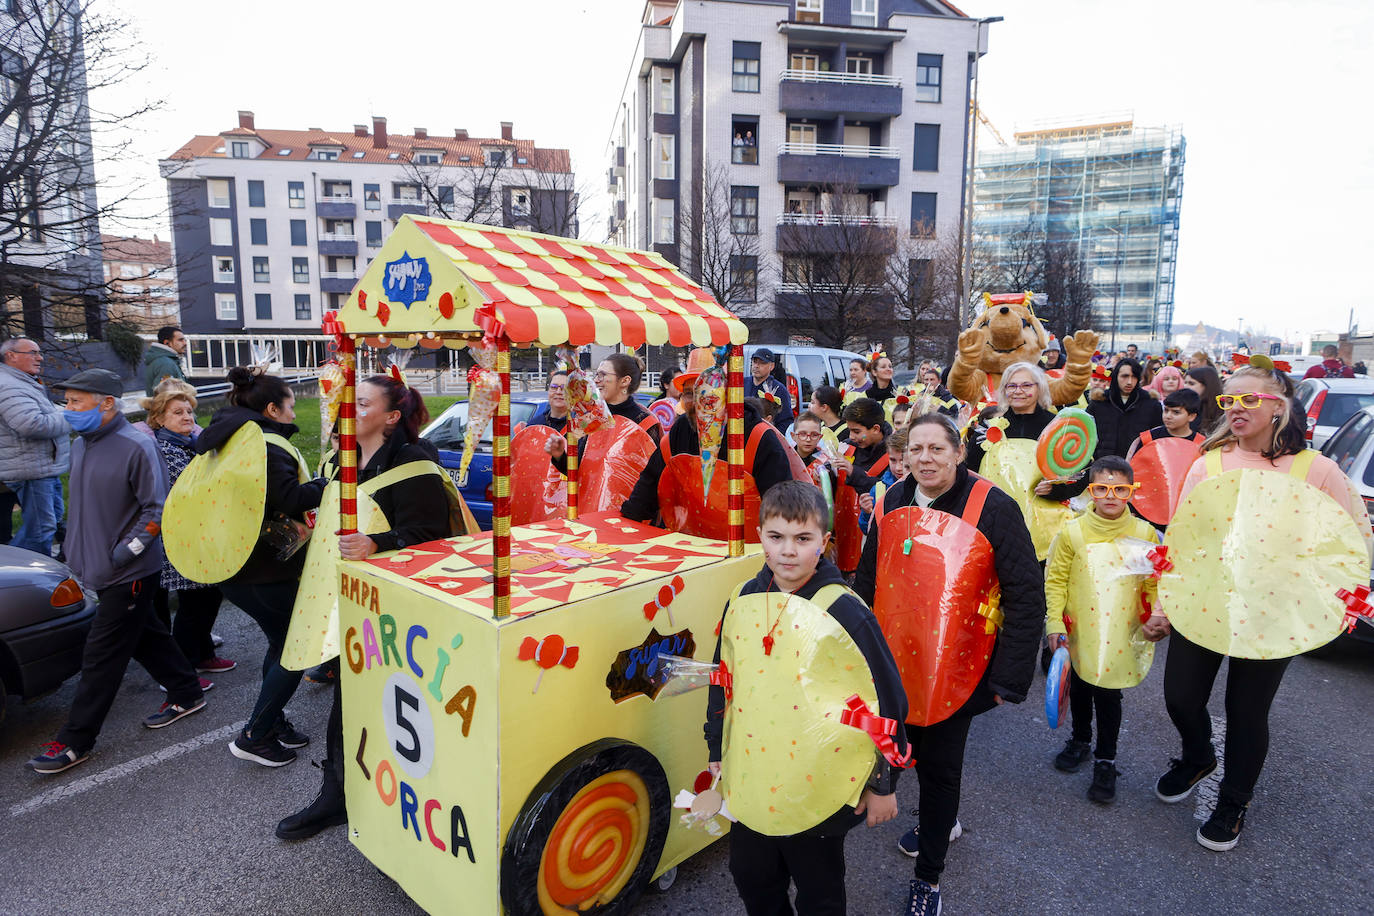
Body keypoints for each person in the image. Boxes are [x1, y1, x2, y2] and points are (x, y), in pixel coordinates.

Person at [1151, 362, 1372, 851]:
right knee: (1181, 698)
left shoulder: (1315, 469)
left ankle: (1233, 801)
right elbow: (1184, 538)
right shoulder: (1208, 462)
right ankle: (1197, 756)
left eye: (1249, 400)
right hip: (1206, 600)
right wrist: (1164, 603)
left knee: (1247, 712)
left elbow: (1354, 536)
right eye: (1229, 401)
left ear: (1279, 407)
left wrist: (1340, 602)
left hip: (1273, 611)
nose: (1236, 409)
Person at [854, 415, 1044, 915]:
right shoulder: (892, 498)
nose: (926, 459)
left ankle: (929, 877)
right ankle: (942, 819)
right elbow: (869, 579)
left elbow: (1025, 595)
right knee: (890, 750)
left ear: (959, 453)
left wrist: (1007, 679)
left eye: (937, 448)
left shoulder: (993, 506)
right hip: (894, 662)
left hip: (957, 669)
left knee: (939, 770)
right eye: (916, 449)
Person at [705, 481, 907, 916]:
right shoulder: (741, 599)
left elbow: (886, 699)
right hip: (754, 772)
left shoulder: (845, 610)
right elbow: (723, 679)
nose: (788, 551)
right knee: (752, 876)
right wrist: (715, 745)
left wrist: (882, 783)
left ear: (824, 543)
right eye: (776, 537)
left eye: (803, 539)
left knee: (820, 890)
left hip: (819, 779)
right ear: (759, 535)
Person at [277, 373, 462, 841]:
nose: (348, 410)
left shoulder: (413, 461)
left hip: (403, 613)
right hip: (352, 604)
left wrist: (378, 542)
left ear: (391, 416)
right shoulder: (342, 460)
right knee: (350, 702)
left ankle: (414, 795)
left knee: (398, 704)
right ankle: (336, 794)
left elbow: (432, 539)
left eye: (361, 403)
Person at [25, 369, 205, 775]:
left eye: (76, 401)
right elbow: (86, 507)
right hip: (97, 569)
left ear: (107, 403)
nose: (67, 409)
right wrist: (74, 548)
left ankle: (75, 740)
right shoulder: (81, 446)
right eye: (67, 401)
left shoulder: (137, 445)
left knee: (101, 654)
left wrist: (124, 555)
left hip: (131, 572)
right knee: (144, 634)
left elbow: (157, 510)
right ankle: (186, 691)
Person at [198, 368, 326, 767]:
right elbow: (287, 499)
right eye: (289, 408)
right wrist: (326, 484)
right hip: (263, 569)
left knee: (280, 641)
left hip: (235, 562)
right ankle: (255, 733)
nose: (293, 415)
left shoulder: (231, 437)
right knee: (296, 649)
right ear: (272, 408)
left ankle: (271, 722)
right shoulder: (266, 445)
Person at [1045, 456, 1163, 803]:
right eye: (1101, 488)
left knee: (1110, 695)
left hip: (1121, 631)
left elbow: (1155, 583)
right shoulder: (1072, 532)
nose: (1110, 496)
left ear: (1131, 492)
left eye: (1120, 489)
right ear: (1090, 491)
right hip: (1081, 628)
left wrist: (1158, 615)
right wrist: (1053, 621)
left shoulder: (1143, 533)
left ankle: (1106, 759)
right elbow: (1056, 580)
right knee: (1080, 686)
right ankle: (1080, 740)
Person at [621, 356, 796, 533]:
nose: (699, 402)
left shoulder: (757, 437)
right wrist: (622, 530)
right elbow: (646, 491)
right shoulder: (678, 432)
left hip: (745, 548)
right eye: (690, 393)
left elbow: (782, 512)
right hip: (690, 544)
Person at [141, 381, 234, 679]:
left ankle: (203, 654)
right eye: (177, 412)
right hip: (183, 537)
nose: (187, 417)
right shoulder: (163, 450)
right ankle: (182, 669)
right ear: (159, 419)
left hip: (202, 532)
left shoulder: (189, 444)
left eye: (190, 412)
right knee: (194, 602)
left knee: (208, 596)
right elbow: (190, 490)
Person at [0, 337, 70, 557]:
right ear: (10, 356)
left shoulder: (23, 382)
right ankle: (19, 573)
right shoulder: (8, 385)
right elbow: (32, 424)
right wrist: (73, 418)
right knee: (41, 530)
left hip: (42, 468)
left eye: (39, 352)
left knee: (51, 521)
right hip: (31, 470)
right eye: (32, 352)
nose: (39, 357)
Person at [546, 353, 661, 468]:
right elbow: (580, 471)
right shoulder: (589, 416)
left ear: (625, 381)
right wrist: (559, 455)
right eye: (596, 375)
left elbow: (653, 474)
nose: (595, 380)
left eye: (602, 375)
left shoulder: (644, 423)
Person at [1088, 358, 1162, 459]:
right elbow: (1087, 435)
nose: (1129, 382)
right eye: (1125, 376)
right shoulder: (1099, 401)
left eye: (1134, 377)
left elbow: (1157, 438)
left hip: (1137, 464)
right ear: (1116, 376)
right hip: (1102, 464)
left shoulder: (1151, 404)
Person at [1126, 388, 1204, 459]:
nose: (1168, 416)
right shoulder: (1148, 438)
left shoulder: (1201, 444)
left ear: (1191, 416)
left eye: (1176, 412)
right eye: (1166, 410)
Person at [858, 428, 907, 532]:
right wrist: (867, 512)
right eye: (893, 460)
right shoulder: (879, 489)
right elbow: (867, 529)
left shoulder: (926, 489)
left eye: (903, 461)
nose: (898, 467)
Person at [744, 348, 794, 433]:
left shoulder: (778, 389)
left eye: (762, 363)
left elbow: (786, 421)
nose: (756, 366)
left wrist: (772, 438)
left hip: (765, 436)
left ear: (772, 366)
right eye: (755, 361)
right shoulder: (741, 384)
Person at [143, 326, 188, 395]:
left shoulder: (165, 361)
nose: (185, 343)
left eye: (184, 340)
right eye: (180, 340)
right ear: (167, 343)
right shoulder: (166, 364)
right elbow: (164, 398)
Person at [526, 368, 570, 433]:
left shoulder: (582, 426)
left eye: (564, 388)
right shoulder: (535, 425)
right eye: (554, 387)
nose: (558, 392)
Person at [1183, 366, 1224, 433]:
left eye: (1191, 383)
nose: (1185, 387)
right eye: (1185, 382)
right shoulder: (1186, 405)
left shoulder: (1221, 409)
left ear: (1207, 386)